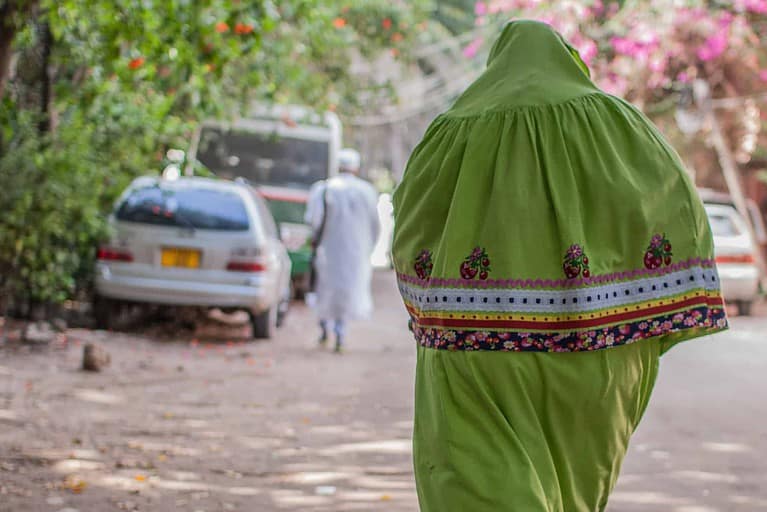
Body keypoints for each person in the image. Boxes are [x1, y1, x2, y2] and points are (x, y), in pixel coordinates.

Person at [392, 20, 728, 511]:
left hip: (474, 352)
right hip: (599, 350)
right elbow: (674, 205)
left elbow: (411, 227)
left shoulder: (451, 130)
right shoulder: (619, 124)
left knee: (476, 484)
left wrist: (438, 308)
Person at [305, 148, 380, 353]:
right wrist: (367, 248)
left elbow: (314, 221)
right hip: (356, 253)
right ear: (356, 168)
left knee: (325, 292)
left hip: (328, 251)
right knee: (347, 293)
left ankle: (325, 331)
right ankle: (340, 333)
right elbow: (376, 226)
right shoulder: (367, 191)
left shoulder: (324, 189)